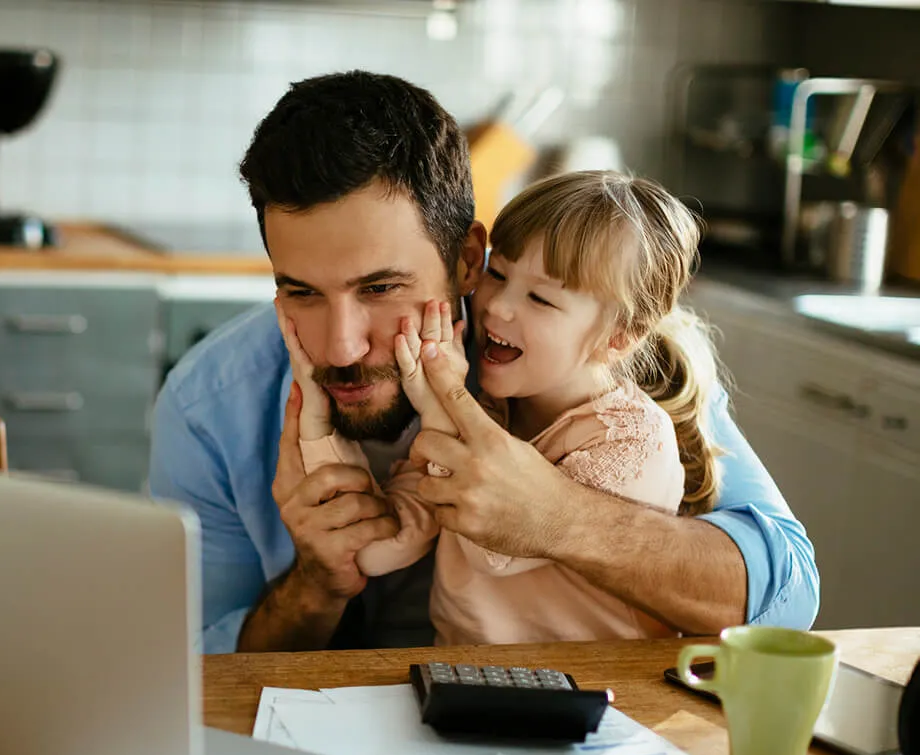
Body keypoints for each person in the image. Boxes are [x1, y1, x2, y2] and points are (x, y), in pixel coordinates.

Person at [147, 70, 819, 654]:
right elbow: (194, 673)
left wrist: (558, 517)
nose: (342, 347)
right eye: (301, 291)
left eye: (382, 289)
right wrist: (317, 582)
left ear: (470, 260)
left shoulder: (592, 363)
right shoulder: (212, 405)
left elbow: (785, 593)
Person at [292, 170, 721, 644]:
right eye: (498, 274)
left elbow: (495, 548)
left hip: (597, 694)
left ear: (618, 337)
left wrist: (438, 406)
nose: (497, 307)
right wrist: (315, 419)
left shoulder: (631, 440)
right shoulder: (493, 409)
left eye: (540, 298)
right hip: (469, 682)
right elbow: (380, 552)